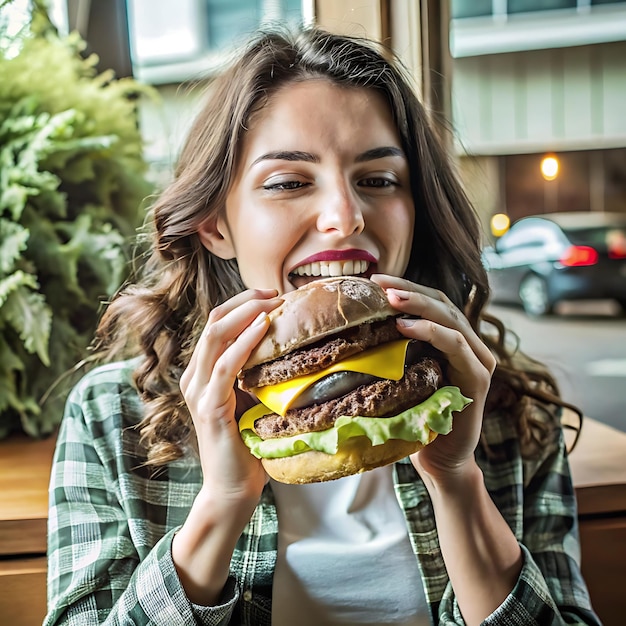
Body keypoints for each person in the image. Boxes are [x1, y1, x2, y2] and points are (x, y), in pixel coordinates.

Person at [44, 26, 601, 626]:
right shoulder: (111, 419)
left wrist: (458, 483)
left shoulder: (506, 410)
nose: (346, 216)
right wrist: (222, 505)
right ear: (215, 225)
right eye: (289, 182)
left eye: (378, 180)